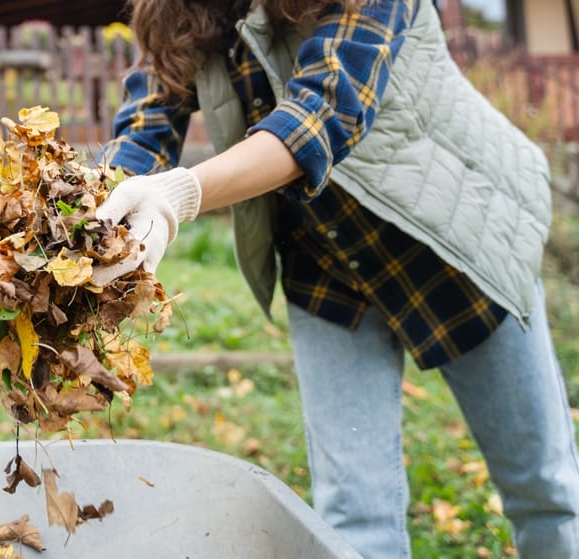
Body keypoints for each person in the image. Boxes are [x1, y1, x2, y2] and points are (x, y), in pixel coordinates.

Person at [93, 0, 579, 557]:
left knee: (543, 490)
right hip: (326, 273)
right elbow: (144, 127)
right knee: (354, 517)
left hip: (458, 248)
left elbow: (322, 112)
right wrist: (95, 214)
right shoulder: (179, 10)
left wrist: (178, 194)